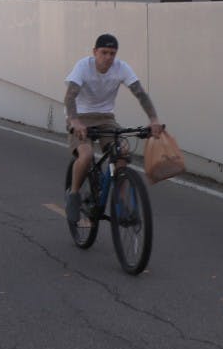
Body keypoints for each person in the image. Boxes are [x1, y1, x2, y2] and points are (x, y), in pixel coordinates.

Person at [64, 33, 163, 223]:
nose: (108, 57)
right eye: (104, 52)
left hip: (105, 117)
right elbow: (70, 96)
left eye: (112, 53)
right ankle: (74, 195)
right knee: (85, 156)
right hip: (80, 116)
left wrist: (153, 120)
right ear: (95, 52)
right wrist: (75, 121)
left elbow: (140, 94)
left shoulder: (121, 68)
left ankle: (123, 204)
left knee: (122, 153)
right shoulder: (83, 67)